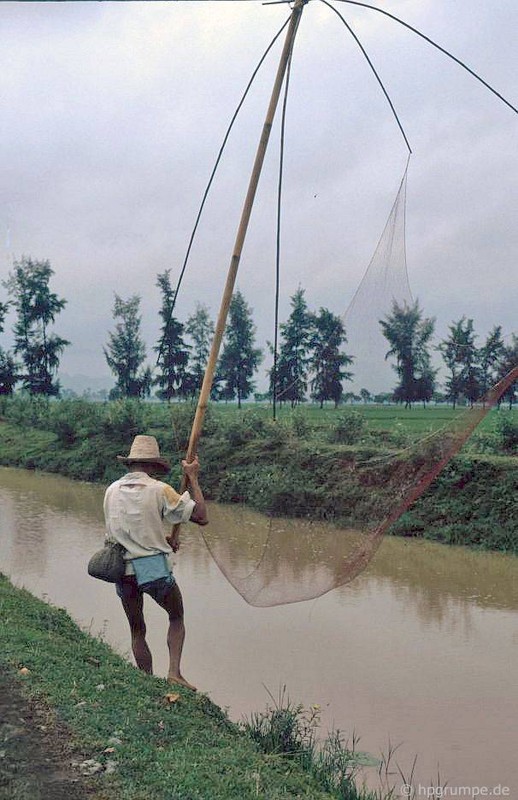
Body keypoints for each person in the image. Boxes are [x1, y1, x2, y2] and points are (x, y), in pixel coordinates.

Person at [103, 434, 208, 691]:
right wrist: (193, 477)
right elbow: (201, 516)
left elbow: (126, 532)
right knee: (176, 615)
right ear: (152, 466)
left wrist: (164, 538)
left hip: (122, 569)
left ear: (131, 463)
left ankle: (147, 682)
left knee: (137, 630)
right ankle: (174, 672)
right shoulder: (160, 490)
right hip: (151, 567)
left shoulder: (111, 490)